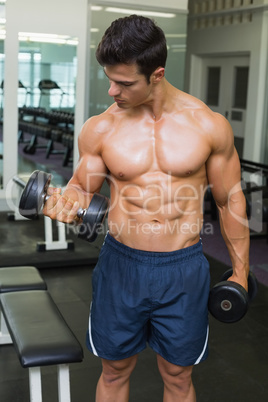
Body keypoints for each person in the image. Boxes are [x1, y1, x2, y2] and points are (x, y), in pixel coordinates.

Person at [43, 15, 250, 402]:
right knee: (114, 368)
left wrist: (240, 271)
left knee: (177, 375)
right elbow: (81, 189)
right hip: (122, 264)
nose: (111, 91)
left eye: (124, 83)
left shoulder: (209, 126)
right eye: (110, 79)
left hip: (183, 268)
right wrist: (65, 204)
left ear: (157, 74)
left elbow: (229, 199)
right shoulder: (100, 128)